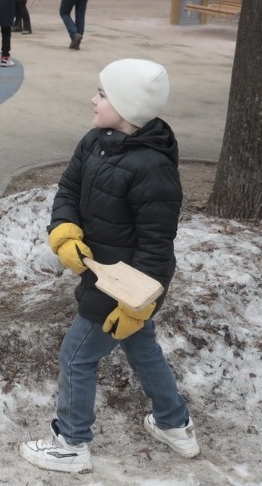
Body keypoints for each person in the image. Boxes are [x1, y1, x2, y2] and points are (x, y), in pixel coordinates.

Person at [19, 58, 199, 474]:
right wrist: (65, 230)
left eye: (102, 93)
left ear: (127, 105)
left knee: (76, 356)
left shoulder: (153, 170)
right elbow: (69, 186)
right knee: (142, 347)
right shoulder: (97, 140)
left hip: (124, 287)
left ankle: (71, 442)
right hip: (97, 271)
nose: (93, 99)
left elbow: (157, 249)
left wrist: (138, 303)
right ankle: (174, 423)